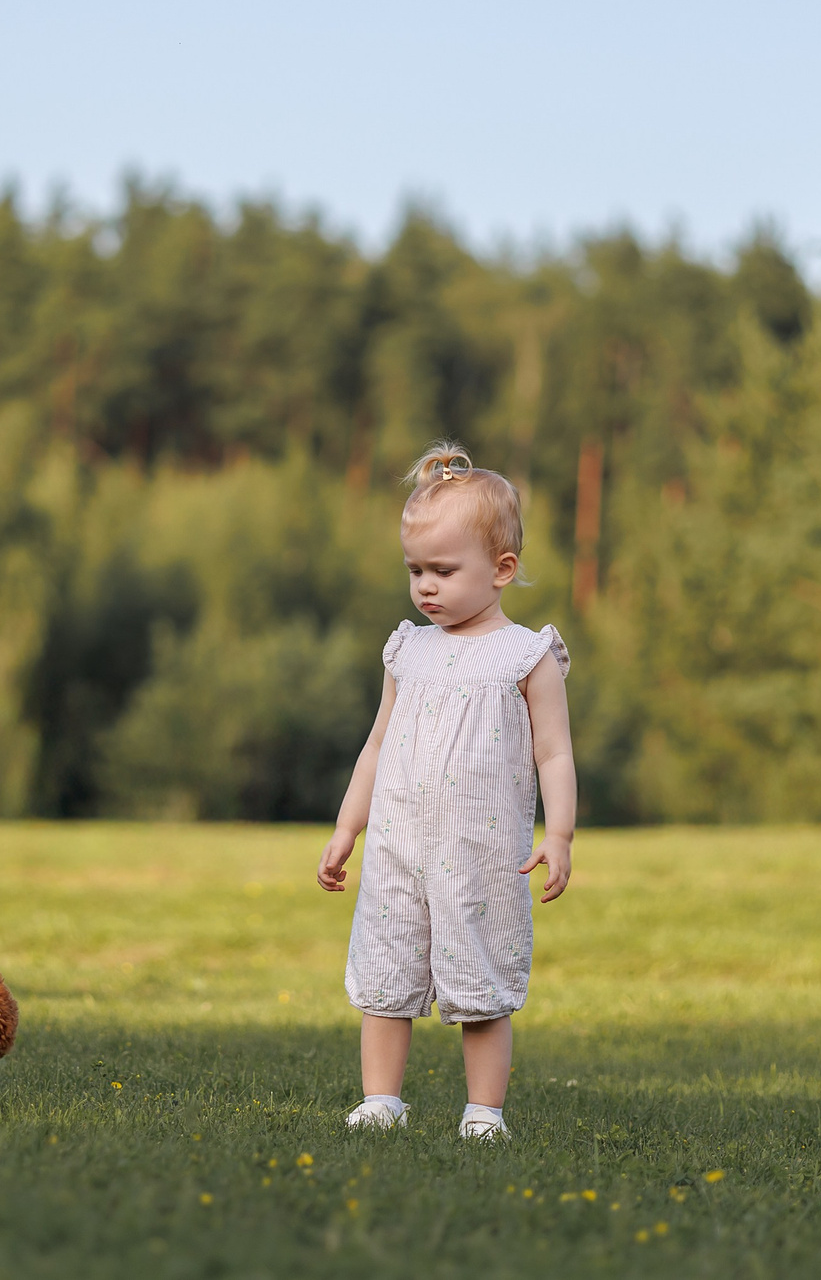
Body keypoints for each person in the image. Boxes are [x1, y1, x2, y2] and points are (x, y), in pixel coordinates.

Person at [316, 442, 576, 1142]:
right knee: (387, 970)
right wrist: (349, 827)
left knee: (481, 980)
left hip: (481, 852)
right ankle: (381, 1099)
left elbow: (554, 752)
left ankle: (483, 1111)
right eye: (415, 570)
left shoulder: (525, 656)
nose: (425, 586)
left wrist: (559, 835)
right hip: (401, 847)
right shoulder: (407, 649)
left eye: (442, 570)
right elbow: (377, 744)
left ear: (502, 569)